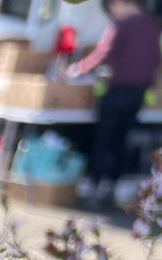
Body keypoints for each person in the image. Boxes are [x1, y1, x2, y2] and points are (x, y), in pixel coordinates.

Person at [66, 0, 162, 206]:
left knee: (103, 138)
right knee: (121, 139)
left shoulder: (121, 25)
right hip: (138, 93)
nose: (113, 12)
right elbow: (156, 60)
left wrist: (77, 69)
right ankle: (111, 186)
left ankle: (93, 185)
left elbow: (103, 53)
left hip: (117, 89)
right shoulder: (153, 26)